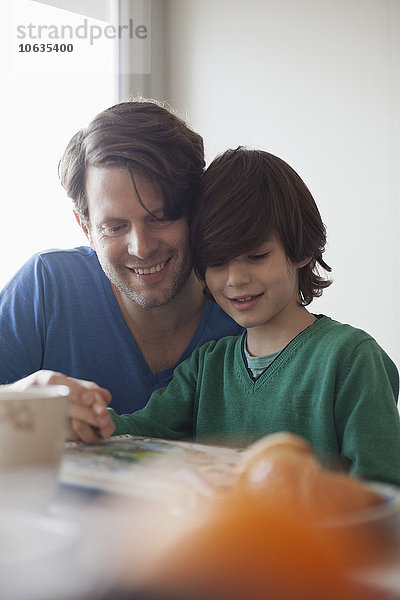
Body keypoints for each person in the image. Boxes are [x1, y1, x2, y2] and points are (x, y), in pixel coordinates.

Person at [10, 147, 400, 485]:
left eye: (257, 256)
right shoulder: (208, 366)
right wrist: (82, 415)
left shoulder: (350, 358)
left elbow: (384, 490)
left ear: (301, 250)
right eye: (217, 262)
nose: (236, 279)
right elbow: (136, 430)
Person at [0, 100, 242, 414]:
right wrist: (13, 401)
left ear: (196, 210)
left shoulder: (243, 305)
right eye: (114, 227)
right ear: (85, 226)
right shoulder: (46, 287)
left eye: (160, 218)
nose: (140, 248)